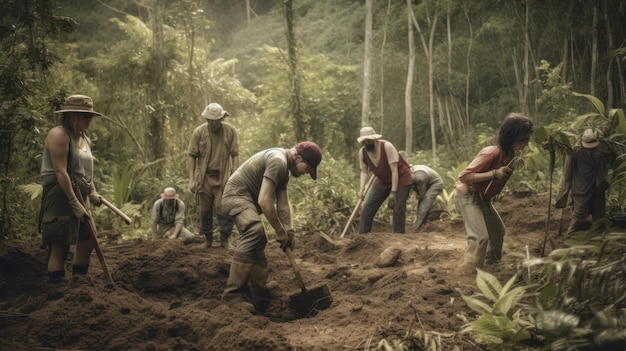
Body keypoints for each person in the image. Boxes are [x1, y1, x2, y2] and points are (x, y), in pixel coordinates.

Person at [220, 141, 322, 312]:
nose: (306, 173)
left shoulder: (284, 169)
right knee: (254, 230)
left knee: (258, 239)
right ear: (298, 157)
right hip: (235, 196)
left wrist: (288, 230)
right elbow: (264, 200)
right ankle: (232, 295)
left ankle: (260, 293)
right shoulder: (278, 161)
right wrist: (279, 231)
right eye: (307, 168)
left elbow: (282, 202)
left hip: (245, 199)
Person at [454, 112, 533, 272]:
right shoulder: (492, 152)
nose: (527, 144)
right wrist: (494, 173)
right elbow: (464, 176)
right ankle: (467, 272)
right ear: (512, 138)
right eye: (524, 140)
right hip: (468, 196)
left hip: (482, 198)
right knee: (480, 238)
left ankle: (491, 267)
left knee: (498, 232)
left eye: (527, 139)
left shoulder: (510, 155)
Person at [39, 94, 103, 283]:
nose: (89, 120)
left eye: (90, 116)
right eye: (85, 116)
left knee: (88, 239)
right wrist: (74, 202)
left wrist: (92, 191)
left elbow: (85, 173)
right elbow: (61, 171)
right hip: (61, 194)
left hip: (80, 194)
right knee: (60, 244)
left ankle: (78, 284)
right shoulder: (59, 134)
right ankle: (57, 289)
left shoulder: (84, 139)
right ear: (72, 116)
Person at [188, 102, 239, 248]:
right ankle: (208, 240)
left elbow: (235, 154)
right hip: (204, 176)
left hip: (223, 176)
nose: (213, 123)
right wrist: (191, 179)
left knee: (224, 209)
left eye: (216, 120)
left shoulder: (231, 131)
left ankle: (224, 240)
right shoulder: (199, 132)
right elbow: (191, 156)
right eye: (210, 120)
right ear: (207, 119)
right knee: (204, 210)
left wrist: (235, 175)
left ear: (222, 118)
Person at [555, 128, 612, 233]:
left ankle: (597, 235)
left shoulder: (601, 148)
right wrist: (566, 186)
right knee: (579, 213)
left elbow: (609, 161)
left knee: (598, 213)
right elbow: (567, 172)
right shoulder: (575, 150)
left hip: (596, 186)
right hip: (581, 186)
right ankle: (570, 234)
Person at [357, 126, 413, 234]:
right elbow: (364, 171)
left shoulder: (387, 146)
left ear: (375, 139)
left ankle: (398, 238)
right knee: (367, 208)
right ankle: (362, 238)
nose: (367, 143)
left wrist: (393, 192)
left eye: (369, 140)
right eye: (364, 141)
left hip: (401, 178)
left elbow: (394, 172)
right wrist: (362, 189)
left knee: (398, 209)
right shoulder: (362, 152)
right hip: (382, 180)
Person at [410, 165, 444, 232]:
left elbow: (422, 196)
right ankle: (422, 225)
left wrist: (419, 196)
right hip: (427, 182)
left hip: (436, 183)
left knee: (425, 203)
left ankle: (417, 228)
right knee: (422, 202)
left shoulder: (419, 178)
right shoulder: (412, 173)